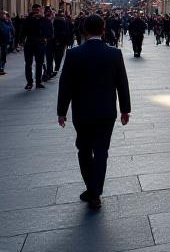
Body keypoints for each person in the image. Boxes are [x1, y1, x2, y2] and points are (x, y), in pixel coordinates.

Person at [56, 14, 131, 210]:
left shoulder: (73, 54)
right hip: (106, 112)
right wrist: (125, 110)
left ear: (84, 31)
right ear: (103, 30)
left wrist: (61, 111)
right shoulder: (114, 54)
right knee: (101, 151)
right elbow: (122, 84)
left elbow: (65, 86)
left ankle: (92, 189)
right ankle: (95, 191)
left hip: (82, 112)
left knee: (84, 149)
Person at [22, 4, 52, 90]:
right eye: (35, 10)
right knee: (28, 64)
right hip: (29, 43)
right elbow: (23, 31)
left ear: (41, 11)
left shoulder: (45, 20)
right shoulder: (27, 20)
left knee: (39, 63)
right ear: (32, 10)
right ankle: (29, 82)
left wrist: (46, 38)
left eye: (38, 10)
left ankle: (38, 82)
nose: (36, 12)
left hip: (40, 43)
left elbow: (50, 32)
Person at [0, 11, 11, 76]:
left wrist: (9, 22)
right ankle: (1, 69)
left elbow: (12, 31)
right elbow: (2, 32)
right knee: (1, 56)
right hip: (2, 42)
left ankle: (2, 69)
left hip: (5, 42)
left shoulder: (7, 23)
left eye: (5, 15)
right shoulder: (2, 23)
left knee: (3, 56)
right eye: (3, 14)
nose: (4, 16)